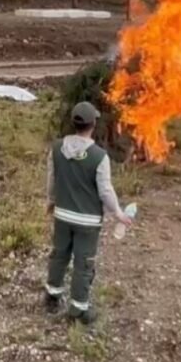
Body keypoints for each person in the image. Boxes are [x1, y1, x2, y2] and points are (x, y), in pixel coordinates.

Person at [44, 101, 133, 324]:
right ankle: (78, 310)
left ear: (74, 123)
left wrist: (51, 201)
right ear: (93, 124)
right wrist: (119, 214)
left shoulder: (56, 148)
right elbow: (105, 190)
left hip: (62, 215)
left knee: (59, 255)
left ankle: (52, 295)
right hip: (88, 221)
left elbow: (51, 179)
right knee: (83, 263)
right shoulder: (98, 156)